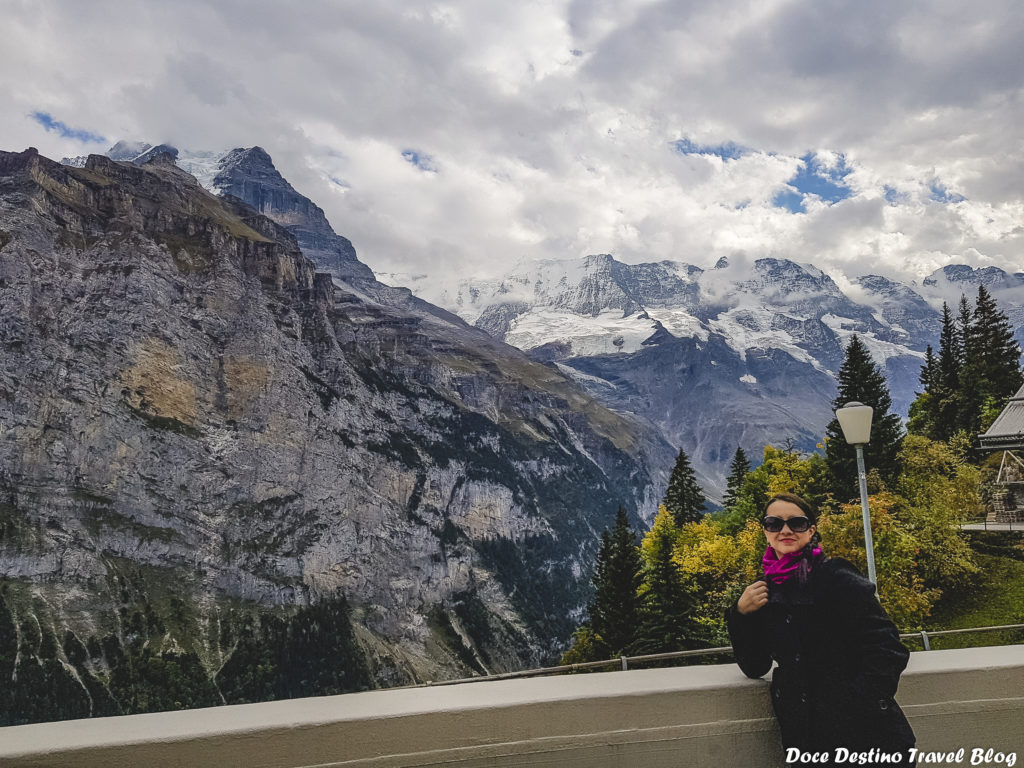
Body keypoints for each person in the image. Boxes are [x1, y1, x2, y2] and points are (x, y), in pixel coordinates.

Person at [726, 493, 916, 764]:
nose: (786, 530)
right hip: (805, 739)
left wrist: (853, 704)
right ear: (765, 531)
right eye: (774, 523)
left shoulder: (837, 577)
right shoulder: (763, 590)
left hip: (867, 738)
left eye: (797, 523)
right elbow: (755, 666)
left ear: (811, 530)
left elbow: (888, 649)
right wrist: (741, 614)